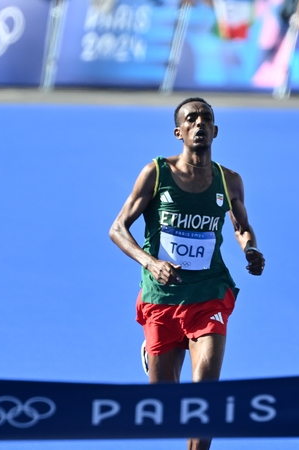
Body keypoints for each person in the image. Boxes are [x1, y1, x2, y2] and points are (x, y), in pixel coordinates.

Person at [109, 97, 264, 450]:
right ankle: (151, 351)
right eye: (191, 119)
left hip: (209, 293)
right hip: (162, 297)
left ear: (215, 130)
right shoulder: (156, 173)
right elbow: (117, 228)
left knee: (205, 394)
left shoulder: (230, 181)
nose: (199, 124)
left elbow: (241, 227)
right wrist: (152, 263)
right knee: (164, 406)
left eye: (206, 119)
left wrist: (250, 249)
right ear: (179, 132)